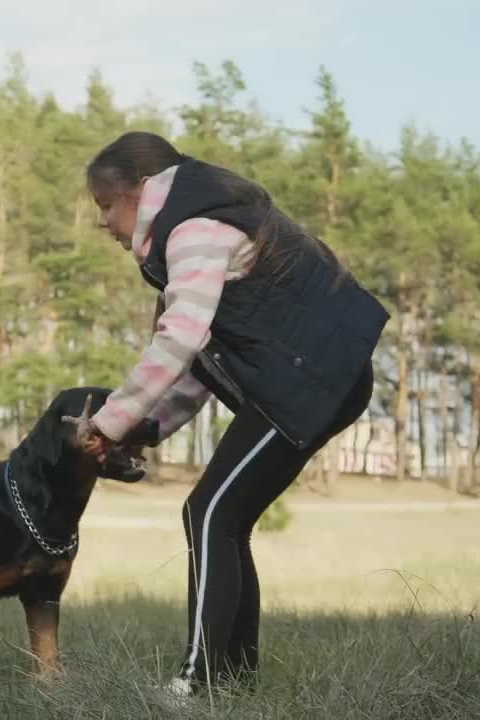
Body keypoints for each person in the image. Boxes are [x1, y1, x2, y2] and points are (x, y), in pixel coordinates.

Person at [62, 131, 388, 701]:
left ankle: (198, 682)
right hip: (302, 379)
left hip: (314, 381)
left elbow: (180, 338)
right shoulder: (191, 228)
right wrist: (149, 427)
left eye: (104, 207)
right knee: (221, 517)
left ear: (140, 192)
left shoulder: (193, 229)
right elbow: (204, 363)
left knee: (210, 511)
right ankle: (235, 680)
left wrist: (108, 422)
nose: (103, 224)